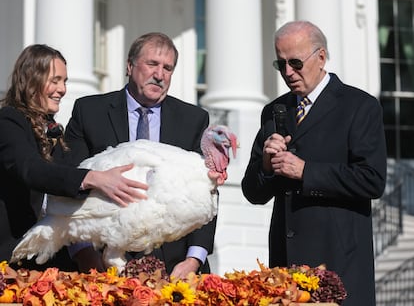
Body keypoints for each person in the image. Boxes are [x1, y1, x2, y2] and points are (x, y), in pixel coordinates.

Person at [241, 20, 386, 306]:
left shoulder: (359, 106)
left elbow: (372, 179)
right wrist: (267, 166)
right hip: (286, 269)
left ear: (321, 57)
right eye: (280, 64)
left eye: (295, 62)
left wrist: (306, 172)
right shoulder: (274, 110)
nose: (288, 73)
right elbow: (252, 192)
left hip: (339, 264)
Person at [58, 32, 216, 279]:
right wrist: (83, 252)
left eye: (168, 68)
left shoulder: (193, 120)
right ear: (130, 66)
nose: (160, 75)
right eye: (152, 64)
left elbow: (206, 193)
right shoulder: (89, 112)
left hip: (172, 265)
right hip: (101, 260)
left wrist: (194, 259)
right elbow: (68, 179)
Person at [0, 44, 147, 271]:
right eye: (55, 80)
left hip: (48, 263)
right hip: (9, 259)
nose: (62, 89)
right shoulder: (9, 121)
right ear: (31, 80)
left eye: (65, 81)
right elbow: (30, 169)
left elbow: (66, 192)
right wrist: (92, 178)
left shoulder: (53, 131)